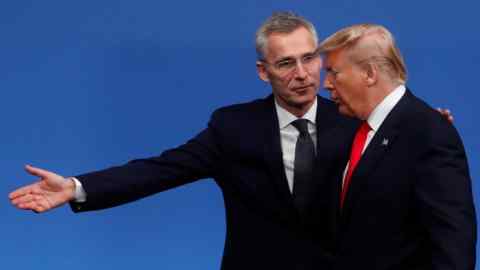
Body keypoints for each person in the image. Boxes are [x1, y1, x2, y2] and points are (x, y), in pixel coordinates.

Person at [8, 13, 455, 270]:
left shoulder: (355, 125)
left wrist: (421, 125)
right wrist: (74, 187)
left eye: (309, 60)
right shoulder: (232, 128)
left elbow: (410, 161)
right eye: (285, 64)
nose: (301, 74)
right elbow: (160, 170)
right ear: (264, 71)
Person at [318, 24, 476, 270]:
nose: (326, 84)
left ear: (369, 74)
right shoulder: (354, 129)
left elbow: (453, 244)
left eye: (333, 72)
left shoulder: (428, 132)